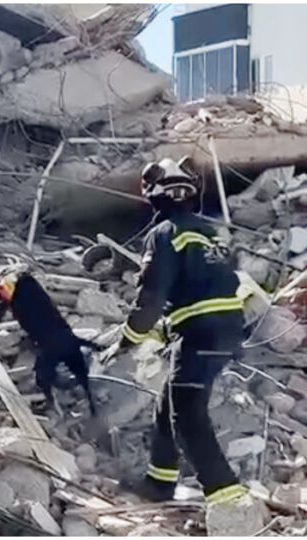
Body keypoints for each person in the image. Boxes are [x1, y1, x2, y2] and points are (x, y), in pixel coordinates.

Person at [118, 156, 253, 512]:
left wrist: (128, 339)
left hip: (199, 335)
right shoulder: (212, 232)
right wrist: (169, 329)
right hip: (226, 331)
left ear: (155, 196)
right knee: (168, 405)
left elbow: (151, 296)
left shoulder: (163, 234)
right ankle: (159, 483)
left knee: (188, 414)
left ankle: (230, 502)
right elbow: (208, 285)